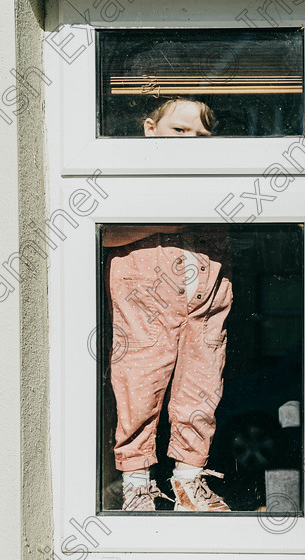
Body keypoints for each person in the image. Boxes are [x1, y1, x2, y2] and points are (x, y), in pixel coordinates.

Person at [104, 98, 233, 512]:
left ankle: (188, 481)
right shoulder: (129, 174)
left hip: (205, 294)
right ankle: (136, 483)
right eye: (179, 130)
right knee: (138, 383)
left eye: (200, 134)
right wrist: (164, 221)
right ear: (150, 130)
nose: (190, 140)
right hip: (147, 295)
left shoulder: (218, 177)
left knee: (202, 385)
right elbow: (104, 232)